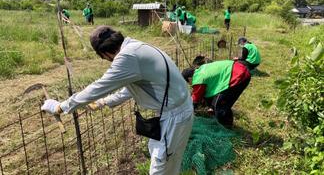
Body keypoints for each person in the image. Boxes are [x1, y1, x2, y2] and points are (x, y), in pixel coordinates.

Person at [41, 25, 194, 174]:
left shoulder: (127, 57)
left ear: (105, 53)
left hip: (174, 116)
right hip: (179, 109)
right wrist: (104, 102)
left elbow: (98, 87)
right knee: (168, 162)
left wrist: (61, 107)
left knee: (160, 167)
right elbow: (131, 88)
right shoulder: (136, 46)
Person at [182, 56, 250, 128]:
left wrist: (189, 111)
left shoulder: (198, 79)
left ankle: (227, 127)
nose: (190, 84)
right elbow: (206, 92)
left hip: (238, 76)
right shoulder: (201, 69)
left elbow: (196, 98)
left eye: (188, 82)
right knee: (219, 101)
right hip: (238, 68)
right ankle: (219, 116)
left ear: (189, 78)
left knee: (220, 105)